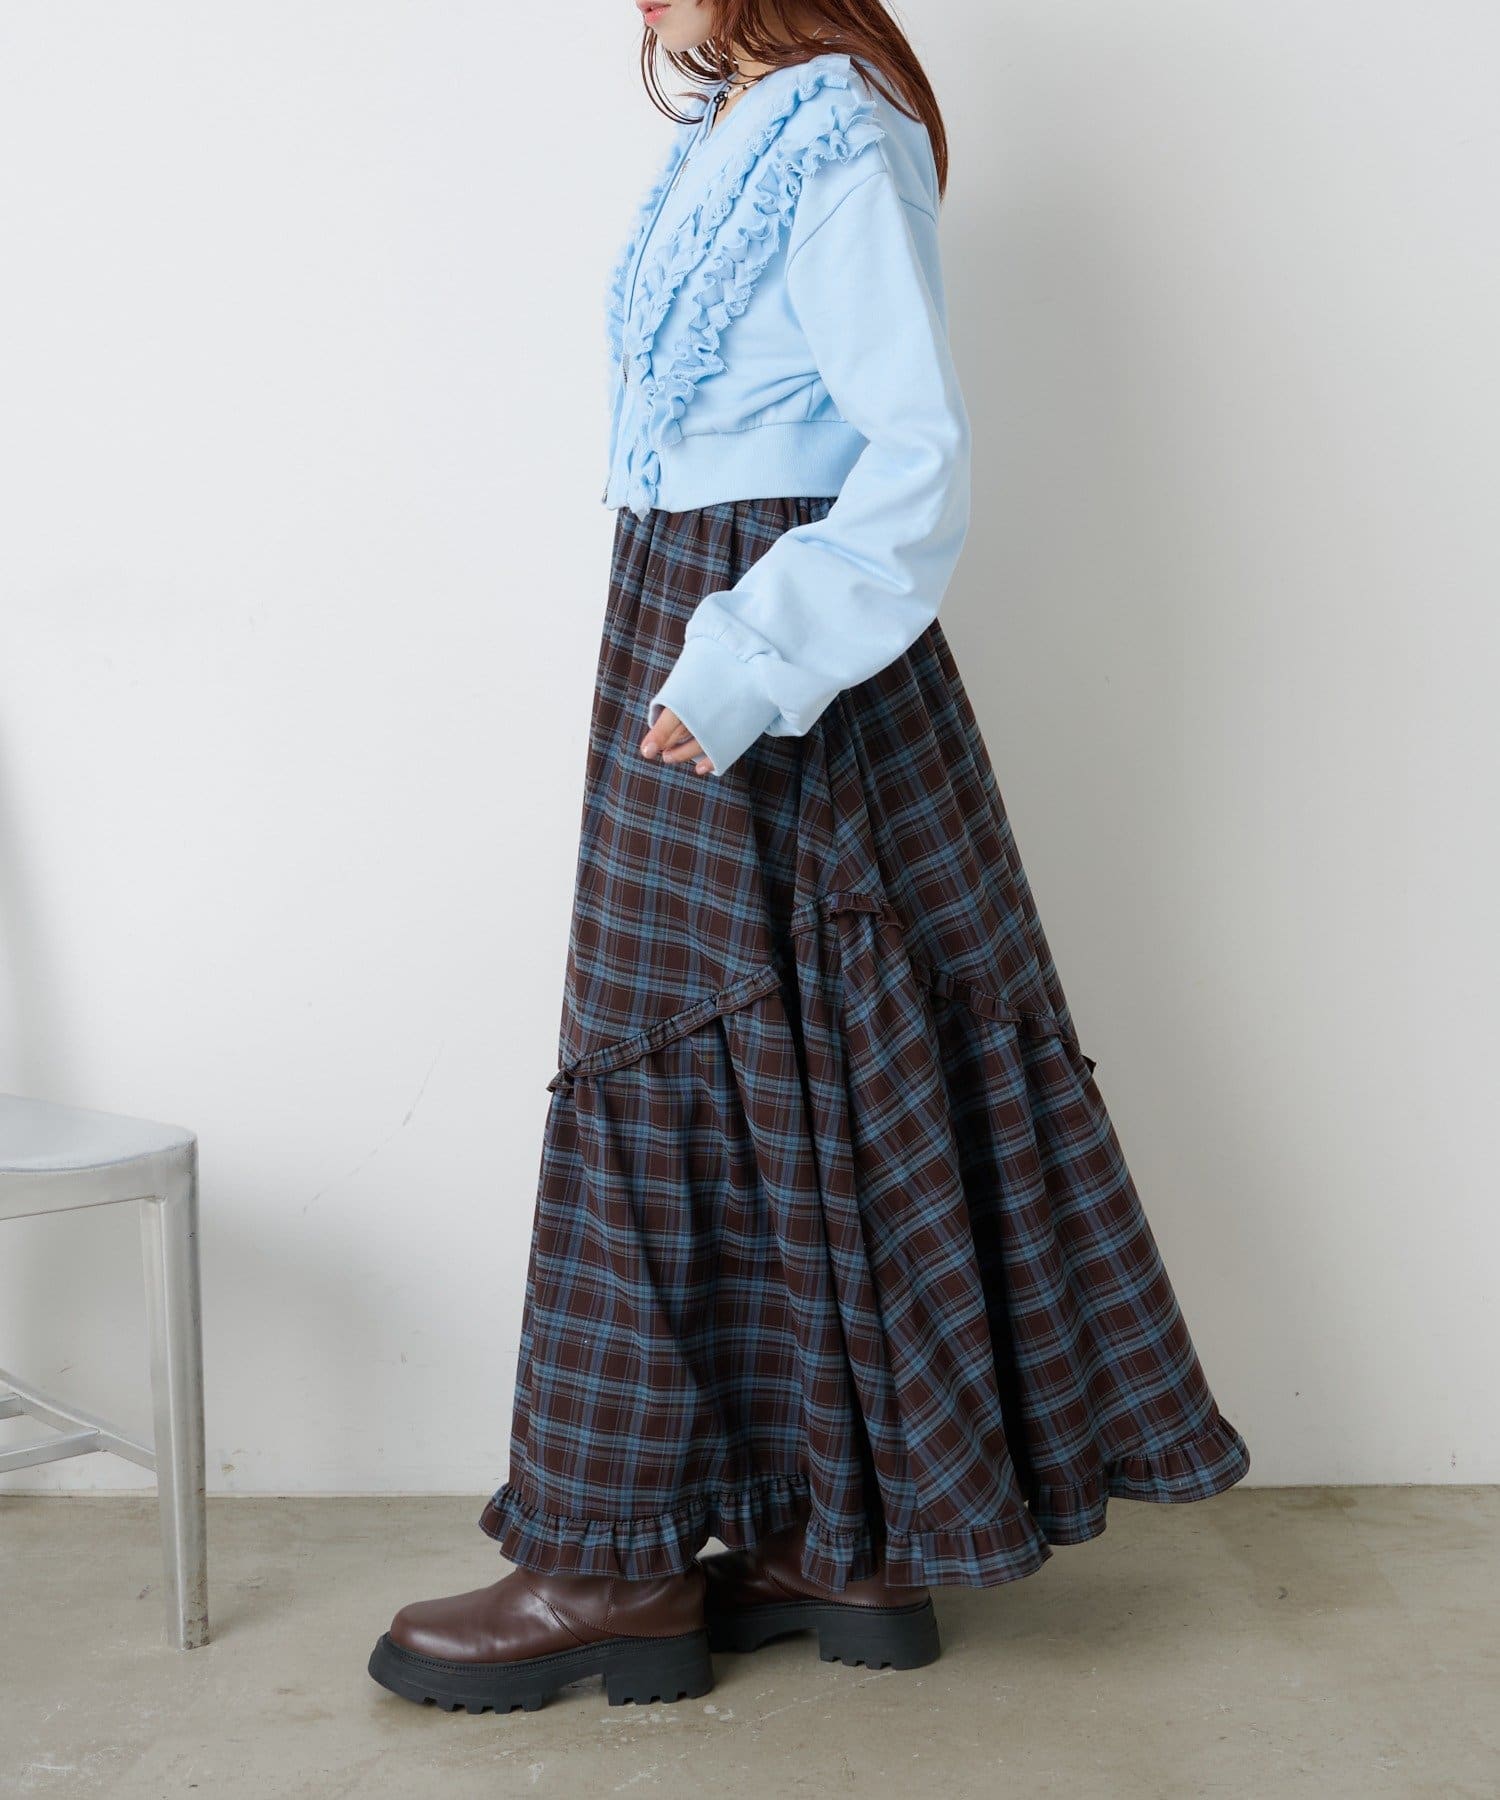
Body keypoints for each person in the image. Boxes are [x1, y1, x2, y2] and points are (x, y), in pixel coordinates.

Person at [367, 0, 1251, 1716]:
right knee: (786, 1073)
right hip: (695, 619)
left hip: (774, 660)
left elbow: (916, 462)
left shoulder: (838, 132)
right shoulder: (740, 127)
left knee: (679, 1062)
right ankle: (832, 1537)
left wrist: (745, 663)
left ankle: (614, 1562)